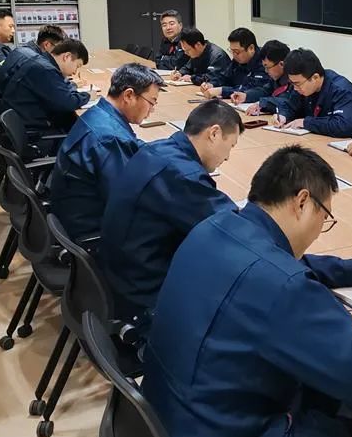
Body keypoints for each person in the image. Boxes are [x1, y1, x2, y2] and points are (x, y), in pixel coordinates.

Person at [143, 146, 352, 437]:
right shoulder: (285, 286)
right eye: (324, 216)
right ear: (302, 202)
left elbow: (276, 260)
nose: (320, 229)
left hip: (169, 414)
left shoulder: (214, 226)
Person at [99, 100, 244, 328]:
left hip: (117, 271)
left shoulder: (158, 148)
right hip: (142, 293)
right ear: (214, 134)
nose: (227, 157)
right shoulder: (183, 175)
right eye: (231, 146)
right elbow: (234, 230)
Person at [49, 64, 165, 242]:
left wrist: (169, 153)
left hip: (75, 213)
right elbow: (127, 200)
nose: (152, 109)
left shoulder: (100, 113)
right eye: (152, 102)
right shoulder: (109, 139)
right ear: (129, 95)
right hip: (91, 231)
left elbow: (132, 145)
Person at [0, 38, 91, 137]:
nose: (75, 72)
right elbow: (68, 102)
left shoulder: (42, 62)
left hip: (24, 122)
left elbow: (61, 90)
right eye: (77, 66)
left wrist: (72, 87)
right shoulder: (46, 70)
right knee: (86, 132)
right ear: (67, 56)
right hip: (34, 133)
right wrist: (88, 95)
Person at [273, 48, 352, 138]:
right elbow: (290, 105)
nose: (295, 88)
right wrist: (283, 115)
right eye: (292, 83)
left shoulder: (342, 90)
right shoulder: (301, 86)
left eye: (297, 84)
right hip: (319, 138)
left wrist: (306, 122)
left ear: (315, 77)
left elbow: (343, 125)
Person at [0, 25, 65, 100]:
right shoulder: (34, 60)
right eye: (57, 47)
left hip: (4, 99)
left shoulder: (24, 50)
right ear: (46, 44)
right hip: (14, 101)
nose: (58, 50)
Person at [201, 27, 272, 100]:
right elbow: (224, 77)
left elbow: (252, 89)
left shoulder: (264, 61)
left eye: (237, 52)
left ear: (251, 48)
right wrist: (212, 84)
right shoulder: (237, 59)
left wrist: (222, 91)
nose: (234, 55)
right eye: (232, 51)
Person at [232, 39, 295, 115]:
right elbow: (264, 91)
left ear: (281, 64)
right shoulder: (276, 78)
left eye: (267, 67)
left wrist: (262, 103)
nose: (266, 71)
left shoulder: (295, 80)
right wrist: (246, 95)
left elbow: (287, 102)